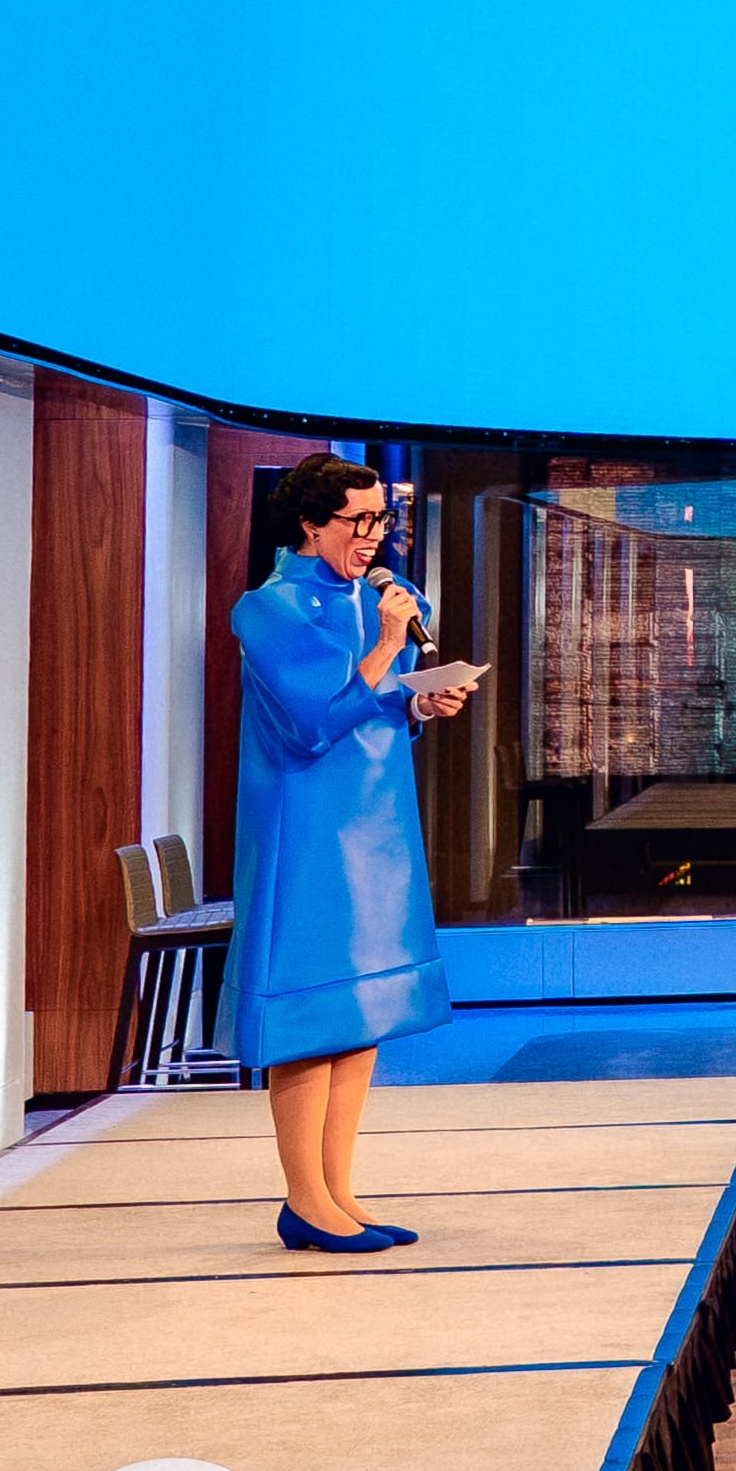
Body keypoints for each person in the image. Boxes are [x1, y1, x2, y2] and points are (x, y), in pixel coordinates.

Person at [226, 455, 474, 1250]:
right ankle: (304, 1197)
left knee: (359, 1009)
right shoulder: (270, 609)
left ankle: (336, 1190)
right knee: (311, 1009)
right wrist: (390, 643)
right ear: (311, 524)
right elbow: (314, 720)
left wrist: (424, 699)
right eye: (357, 522)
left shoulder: (377, 598)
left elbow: (382, 705)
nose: (372, 537)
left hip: (377, 825)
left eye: (380, 521)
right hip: (309, 830)